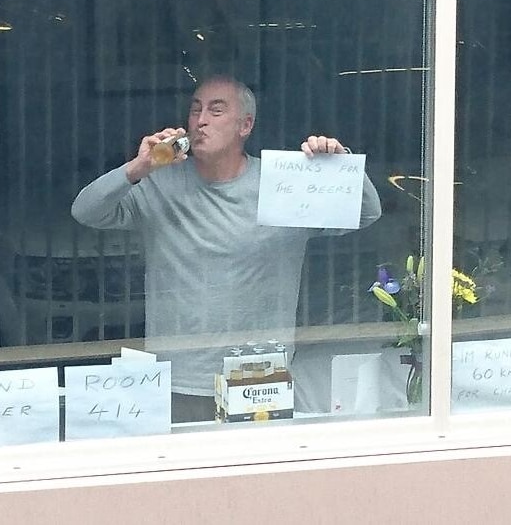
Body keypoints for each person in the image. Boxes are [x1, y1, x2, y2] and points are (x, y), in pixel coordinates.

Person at [72, 75, 381, 422]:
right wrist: (137, 167)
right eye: (195, 110)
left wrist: (339, 164)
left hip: (261, 377)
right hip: (178, 377)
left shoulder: (283, 185)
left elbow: (368, 213)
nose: (200, 120)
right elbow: (85, 211)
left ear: (245, 125)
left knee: (257, 475)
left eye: (216, 110)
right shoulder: (158, 184)